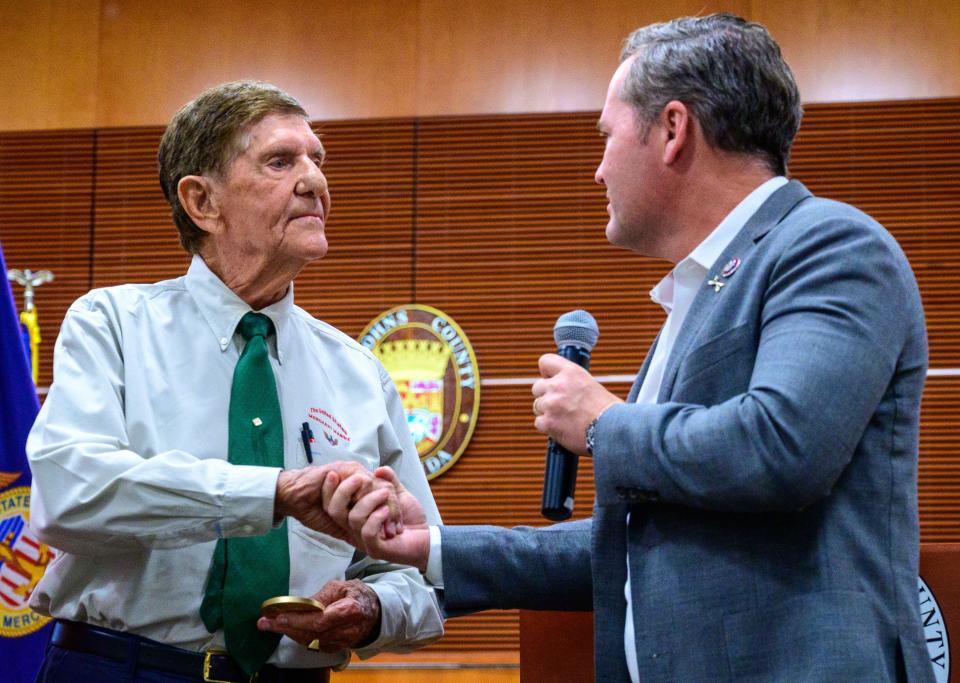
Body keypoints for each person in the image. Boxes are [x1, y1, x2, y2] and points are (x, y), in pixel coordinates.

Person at [264, 13, 935, 682]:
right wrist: (427, 546)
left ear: (673, 130)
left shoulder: (831, 245)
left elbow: (782, 444)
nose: (597, 169)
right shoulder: (697, 298)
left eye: (607, 136)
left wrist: (606, 423)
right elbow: (632, 545)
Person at [26, 80, 443, 682]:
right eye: (280, 161)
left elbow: (423, 572)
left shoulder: (359, 374)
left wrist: (375, 609)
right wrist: (272, 493)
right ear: (202, 202)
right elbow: (69, 495)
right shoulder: (112, 324)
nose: (315, 181)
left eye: (317, 160)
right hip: (120, 667)